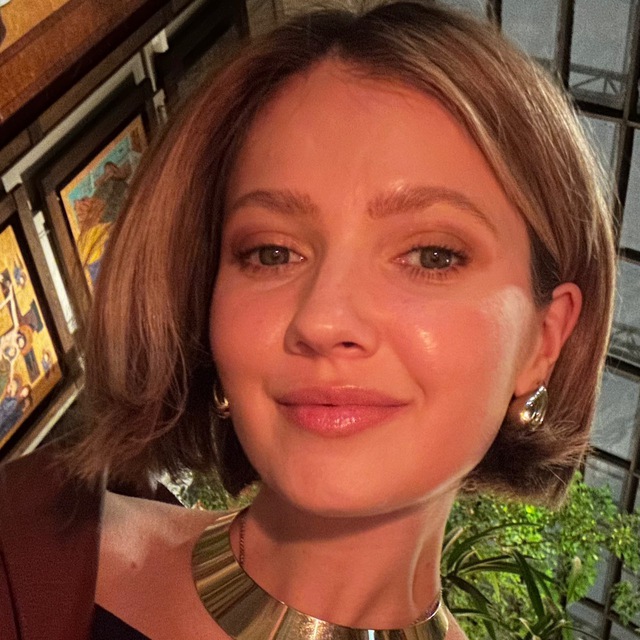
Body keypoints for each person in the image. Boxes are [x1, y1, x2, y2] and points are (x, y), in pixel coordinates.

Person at [0, 2, 616, 639]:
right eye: (271, 253)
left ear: (544, 341)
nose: (322, 320)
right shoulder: (26, 552)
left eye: (431, 255)